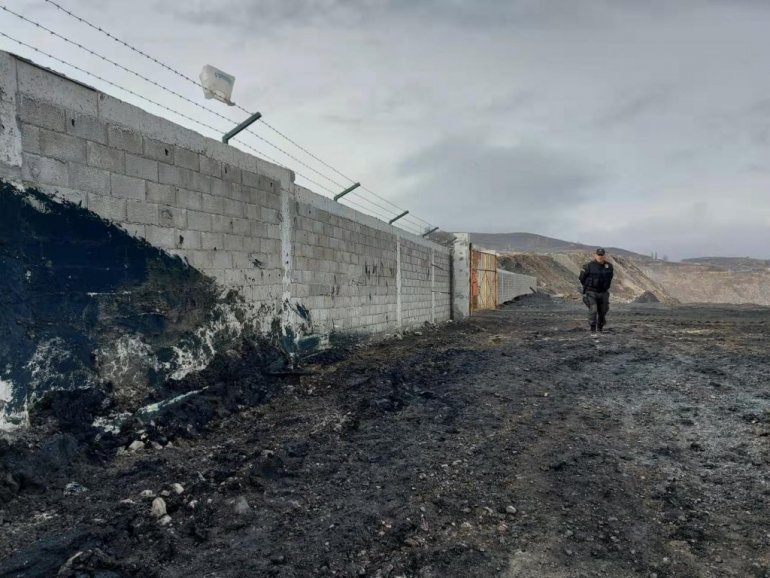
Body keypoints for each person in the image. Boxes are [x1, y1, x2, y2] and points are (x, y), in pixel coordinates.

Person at [579, 248, 614, 335]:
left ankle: (600, 328)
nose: (600, 257)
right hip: (591, 292)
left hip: (603, 292)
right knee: (593, 310)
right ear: (595, 255)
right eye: (598, 255)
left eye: (602, 255)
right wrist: (588, 287)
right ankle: (593, 329)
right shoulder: (588, 266)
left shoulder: (609, 266)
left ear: (604, 256)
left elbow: (610, 277)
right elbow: (582, 278)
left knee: (603, 311)